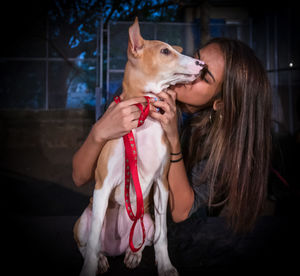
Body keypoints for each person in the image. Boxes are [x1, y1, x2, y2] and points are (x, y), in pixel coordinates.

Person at [72, 37, 272, 272]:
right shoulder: (143, 91)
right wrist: (99, 132)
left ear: (221, 104)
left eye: (205, 77)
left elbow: (180, 212)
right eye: (196, 56)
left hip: (173, 240)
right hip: (116, 222)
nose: (192, 68)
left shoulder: (220, 145)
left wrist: (173, 139)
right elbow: (79, 176)